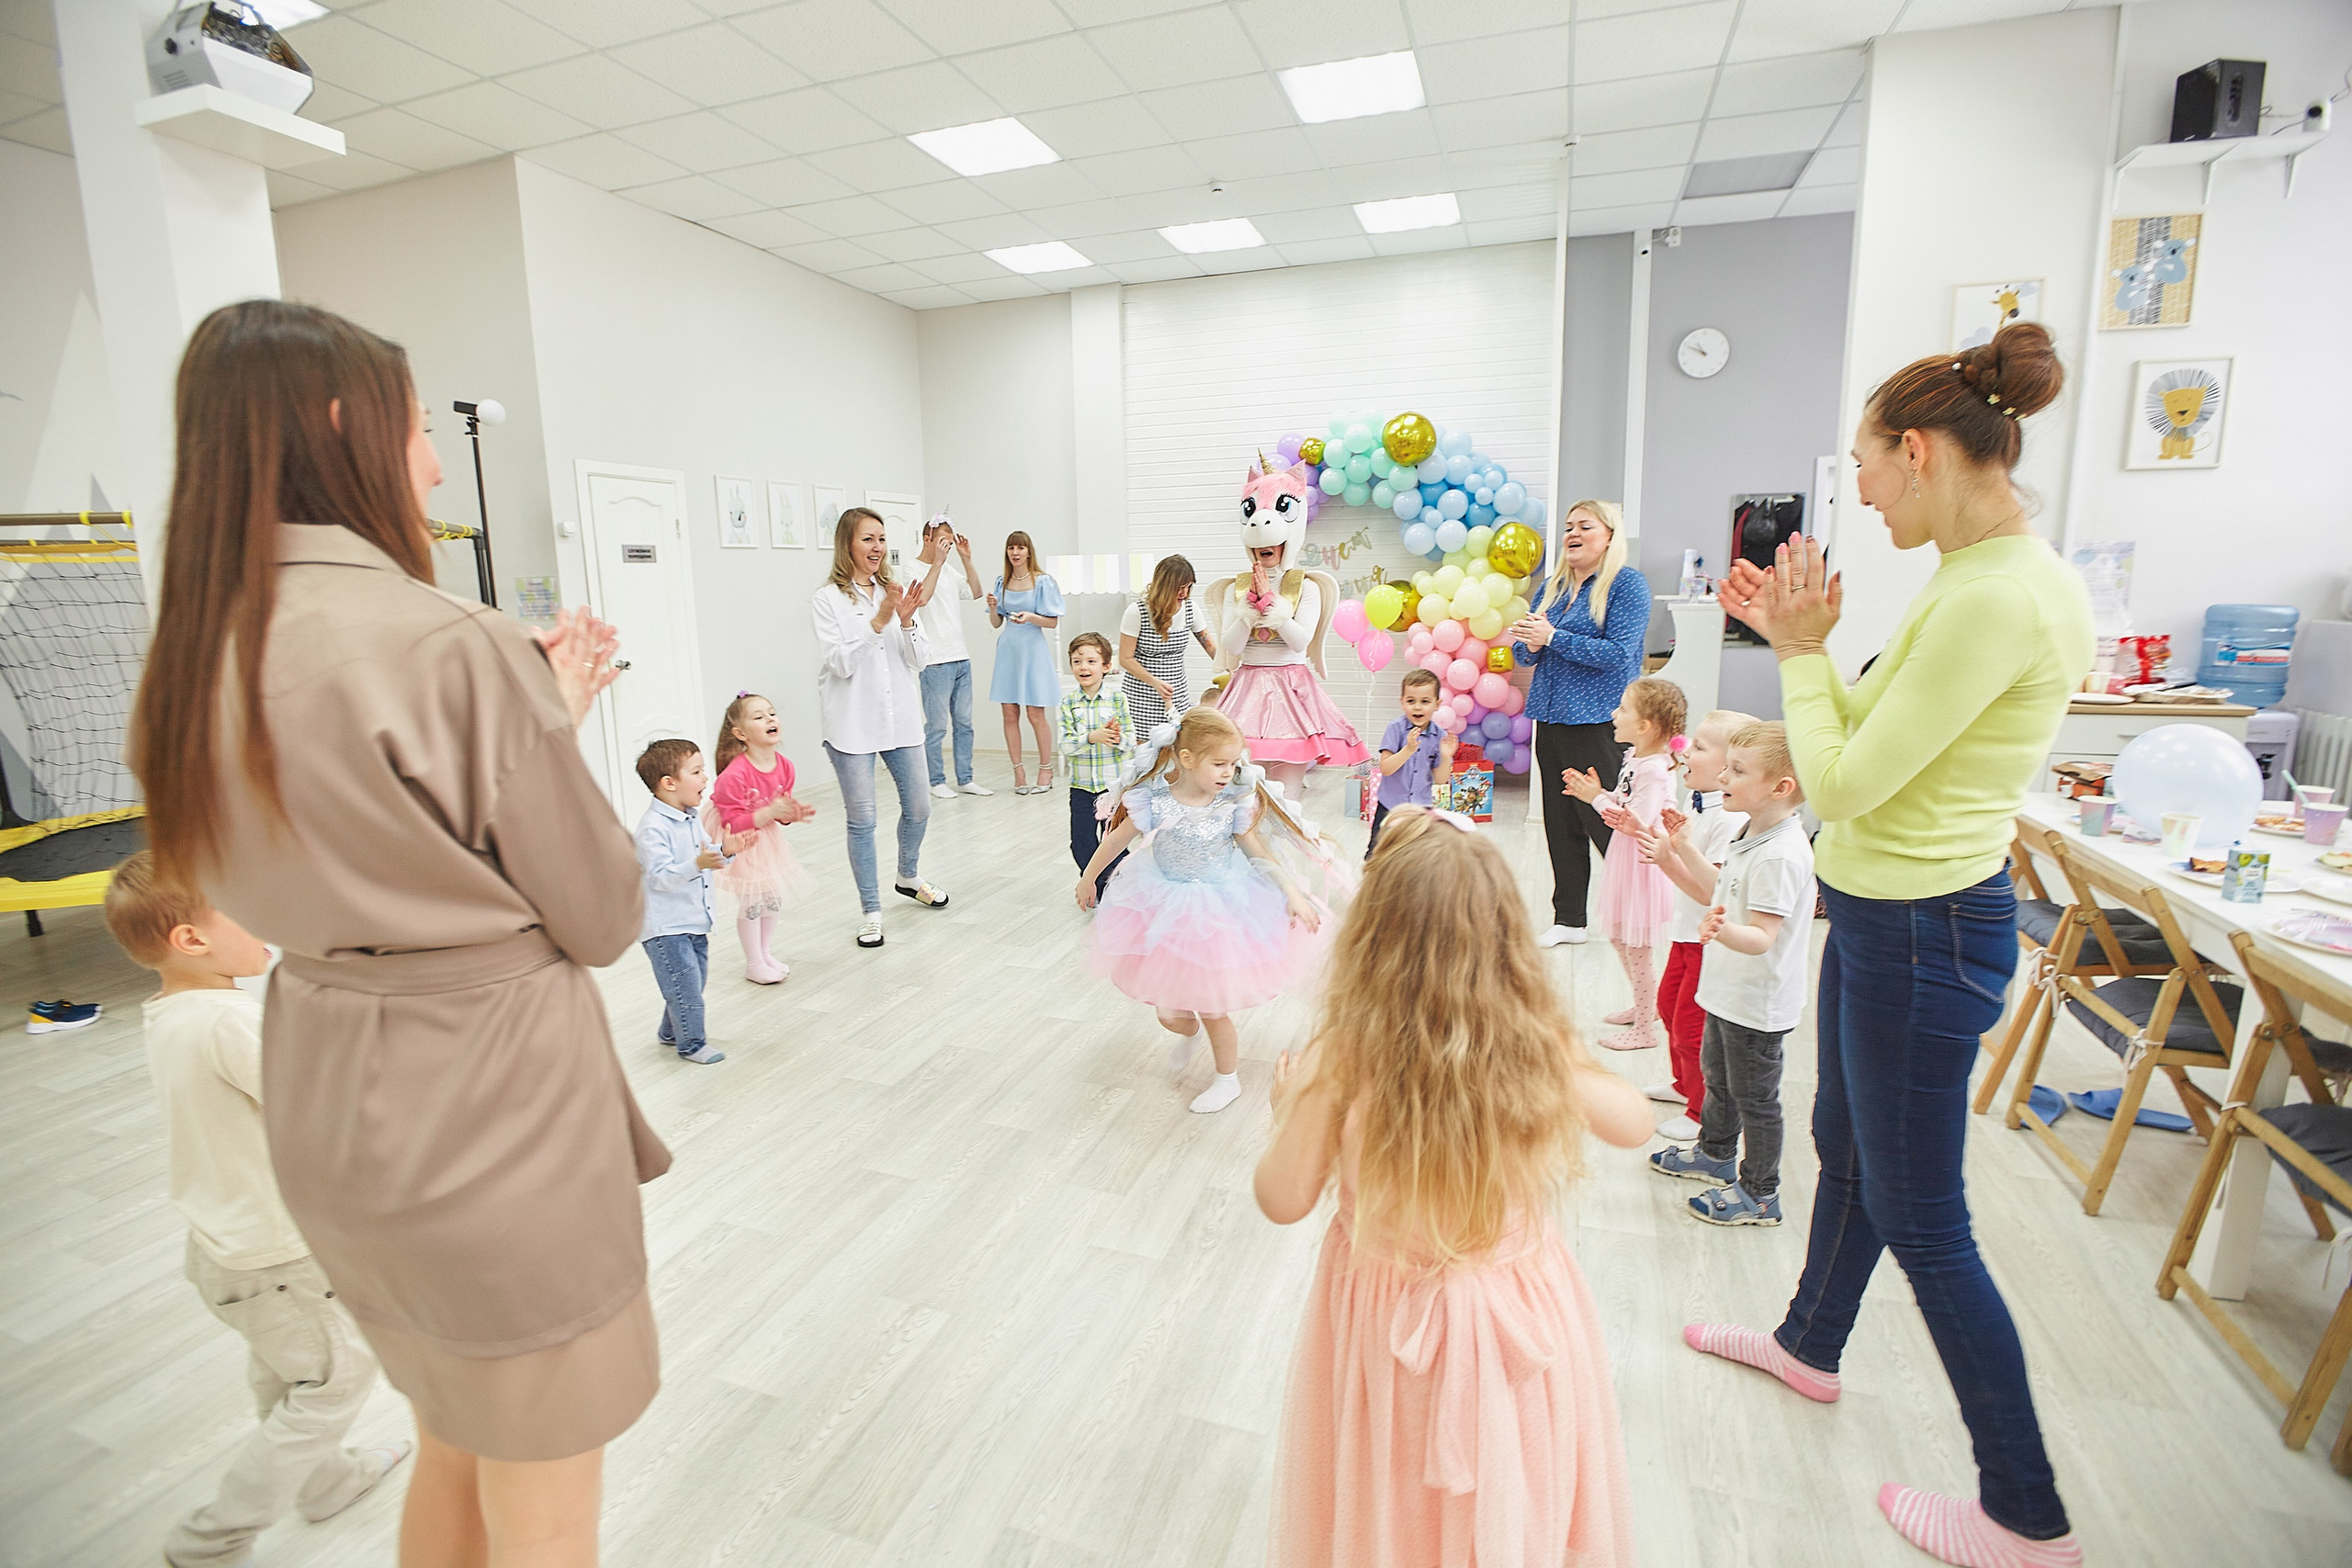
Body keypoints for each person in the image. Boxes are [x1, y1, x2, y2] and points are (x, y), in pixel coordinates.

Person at [130, 299, 665, 1567]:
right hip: (490, 1114)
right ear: (343, 427)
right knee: (545, 1503)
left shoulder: (188, 659)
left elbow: (359, 841)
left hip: (333, 1097)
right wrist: (538, 719)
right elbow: (601, 912)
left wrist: (530, 715)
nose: (431, 464)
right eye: (419, 429)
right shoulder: (454, 645)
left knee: (453, 1442)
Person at [1685, 322, 2091, 1566]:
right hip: (1888, 920)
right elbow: (1865, 727)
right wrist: (1800, 646)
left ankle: (2024, 1516)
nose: (1858, 492)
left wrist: (1800, 653)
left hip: (1922, 932)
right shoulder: (1974, 579)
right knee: (1847, 1152)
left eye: (1864, 465)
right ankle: (1808, 1344)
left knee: (1924, 1218)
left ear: (1916, 450)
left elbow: (1843, 781)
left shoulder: (1998, 595)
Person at [1255, 807, 1651, 1567]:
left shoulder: (1341, 1056)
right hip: (1519, 1313)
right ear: (1505, 937)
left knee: (1392, 1498)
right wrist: (1548, 1057)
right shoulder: (1535, 1044)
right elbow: (1634, 1123)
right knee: (1515, 1492)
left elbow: (1282, 1198)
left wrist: (1289, 1109)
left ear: (1371, 937)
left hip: (1387, 1320)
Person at [104, 852, 411, 1568]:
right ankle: (212, 1540)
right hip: (278, 1253)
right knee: (335, 1380)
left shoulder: (172, 1012)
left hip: (225, 1248)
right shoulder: (225, 1020)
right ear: (191, 939)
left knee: (289, 1376)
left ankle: (328, 1480)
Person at [1076, 705, 1332, 1115]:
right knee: (1170, 1013)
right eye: (1219, 763)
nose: (1228, 773)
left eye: (1233, 764)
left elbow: (1259, 854)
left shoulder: (1231, 805)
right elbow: (1114, 842)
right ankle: (1188, 1031)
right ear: (1187, 758)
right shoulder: (1154, 802)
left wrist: (1292, 893)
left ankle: (1227, 1079)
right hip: (1163, 905)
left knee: (1214, 1007)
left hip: (1218, 911)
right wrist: (1088, 878)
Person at [1645, 723, 1813, 1227]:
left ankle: (1761, 1193)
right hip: (1728, 991)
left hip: (1757, 1001)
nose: (1723, 777)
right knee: (1718, 1080)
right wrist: (1684, 848)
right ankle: (1715, 1153)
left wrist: (1721, 930)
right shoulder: (1753, 832)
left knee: (1755, 1099)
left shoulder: (1781, 853)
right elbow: (1724, 889)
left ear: (1780, 787)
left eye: (1737, 771)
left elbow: (1762, 936)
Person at [1508, 500, 1650, 948]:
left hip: (1599, 721)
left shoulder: (1627, 585)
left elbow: (1619, 655)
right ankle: (1570, 919)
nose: (1572, 533)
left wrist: (1553, 637)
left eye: (1584, 526)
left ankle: (1639, 915)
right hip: (1551, 719)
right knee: (1561, 822)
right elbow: (1524, 653)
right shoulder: (1552, 588)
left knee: (1607, 819)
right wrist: (1532, 643)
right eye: (1569, 527)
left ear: (1609, 536)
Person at [813, 506, 951, 951]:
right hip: (852, 725)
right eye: (868, 539)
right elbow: (840, 663)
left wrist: (906, 619)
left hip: (901, 720)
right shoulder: (828, 600)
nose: (877, 547)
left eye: (881, 539)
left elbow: (920, 660)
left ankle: (908, 876)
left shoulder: (896, 591)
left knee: (920, 807)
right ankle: (871, 912)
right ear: (847, 545)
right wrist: (879, 619)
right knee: (863, 820)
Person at [1209, 458, 1371, 797]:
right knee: (1245, 795)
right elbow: (1232, 647)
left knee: (1287, 796)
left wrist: (1272, 606)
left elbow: (1300, 642)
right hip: (1246, 689)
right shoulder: (1235, 588)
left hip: (1292, 689)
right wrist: (1247, 609)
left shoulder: (1308, 587)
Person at [1629, 708, 1755, 1140]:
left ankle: (1702, 1110)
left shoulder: (1729, 818)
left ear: (1728, 766)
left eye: (1698, 747)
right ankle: (1685, 1084)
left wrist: (1666, 858)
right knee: (1668, 1006)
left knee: (1691, 1026)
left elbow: (1711, 894)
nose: (1684, 751)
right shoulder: (1696, 801)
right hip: (1684, 933)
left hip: (1706, 939)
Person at [1561, 675, 1685, 1051]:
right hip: (1625, 857)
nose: (1614, 714)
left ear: (1644, 726)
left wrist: (1595, 800)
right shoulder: (1635, 758)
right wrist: (1599, 792)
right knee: (1619, 936)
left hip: (1641, 862)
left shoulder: (1654, 769)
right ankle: (1645, 1005)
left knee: (1636, 945)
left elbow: (1637, 822)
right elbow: (1624, 800)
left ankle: (1645, 1028)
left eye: (1623, 709)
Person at [634, 738, 751, 1065]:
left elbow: (704, 855)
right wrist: (698, 864)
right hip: (665, 927)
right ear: (669, 783)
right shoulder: (652, 829)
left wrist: (724, 851)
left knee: (690, 983)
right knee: (685, 988)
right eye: (697, 772)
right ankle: (692, 1044)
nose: (705, 778)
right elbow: (660, 877)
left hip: (693, 919)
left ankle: (670, 1031)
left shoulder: (690, 817)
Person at [705, 692, 815, 982]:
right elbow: (732, 823)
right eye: (758, 716)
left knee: (772, 897)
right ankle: (753, 963)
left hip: (764, 837)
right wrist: (770, 812)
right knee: (753, 900)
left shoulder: (785, 766)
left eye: (772, 713)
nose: (769, 719)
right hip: (740, 840)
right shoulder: (734, 775)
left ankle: (765, 954)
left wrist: (789, 814)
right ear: (741, 734)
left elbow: (780, 812)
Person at [911, 515, 990, 799]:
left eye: (950, 541)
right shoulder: (912, 568)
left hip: (960, 657)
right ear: (928, 539)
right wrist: (937, 563)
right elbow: (921, 599)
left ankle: (965, 778)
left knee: (964, 724)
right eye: (943, 541)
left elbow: (976, 592)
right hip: (934, 660)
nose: (947, 546)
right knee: (936, 726)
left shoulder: (949, 570)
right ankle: (935, 781)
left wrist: (966, 559)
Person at [987, 530, 1064, 795]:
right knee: (1009, 713)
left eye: (1020, 547)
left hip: (1033, 650)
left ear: (1029, 551)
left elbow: (1052, 622)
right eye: (1011, 548)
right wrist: (993, 607)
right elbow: (996, 622)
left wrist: (1031, 617)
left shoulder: (1042, 581)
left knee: (1035, 714)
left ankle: (1046, 769)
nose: (1015, 552)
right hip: (1008, 650)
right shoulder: (1001, 582)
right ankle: (1018, 772)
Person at [1057, 631, 1131, 899]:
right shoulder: (1068, 703)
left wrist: (1117, 737)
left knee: (1116, 843)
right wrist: (1091, 737)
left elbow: (1130, 740)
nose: (1083, 667)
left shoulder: (1118, 700)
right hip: (1081, 788)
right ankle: (1097, 886)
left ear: (1106, 666)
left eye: (1091, 661)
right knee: (1082, 844)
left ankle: (1115, 889)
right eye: (1077, 662)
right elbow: (1065, 745)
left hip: (1113, 789)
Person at [1118, 554, 1216, 736]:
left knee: (1177, 744)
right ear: (1163, 586)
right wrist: (1155, 682)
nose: (1184, 594)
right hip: (1141, 697)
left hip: (1176, 695)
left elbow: (1210, 647)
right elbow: (1125, 658)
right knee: (1144, 749)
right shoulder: (1137, 612)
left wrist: (1234, 669)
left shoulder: (1191, 609)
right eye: (1178, 588)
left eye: (1188, 587)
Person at [1366, 666, 1455, 859]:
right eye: (1411, 701)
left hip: (1420, 808)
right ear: (1402, 702)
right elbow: (1386, 769)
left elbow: (1441, 780)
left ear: (1437, 704)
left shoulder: (1439, 735)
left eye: (1425, 701)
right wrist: (1408, 749)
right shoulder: (1395, 729)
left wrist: (1446, 757)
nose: (1417, 707)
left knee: (1415, 857)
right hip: (1390, 806)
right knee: (1377, 854)